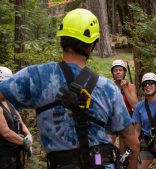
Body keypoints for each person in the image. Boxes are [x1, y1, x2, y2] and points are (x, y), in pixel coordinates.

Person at [0, 9, 139, 169]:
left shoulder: (36, 76)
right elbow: (132, 142)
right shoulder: (108, 88)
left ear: (62, 41)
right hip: (102, 162)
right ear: (91, 46)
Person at [0, 66, 33, 169]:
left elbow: (21, 123)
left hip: (14, 155)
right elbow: (5, 133)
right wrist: (24, 142)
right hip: (3, 157)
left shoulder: (10, 103)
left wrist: (29, 135)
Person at [110, 59, 138, 167]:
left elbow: (135, 104)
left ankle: (124, 162)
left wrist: (125, 89)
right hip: (112, 119)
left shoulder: (131, 86)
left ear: (124, 72)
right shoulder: (110, 86)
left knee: (129, 146)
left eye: (120, 70)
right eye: (115, 70)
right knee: (105, 144)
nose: (118, 72)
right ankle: (103, 162)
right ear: (112, 73)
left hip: (127, 118)